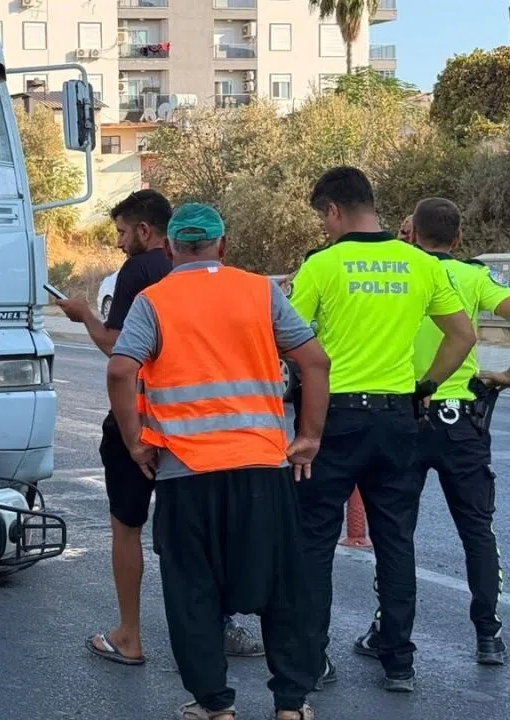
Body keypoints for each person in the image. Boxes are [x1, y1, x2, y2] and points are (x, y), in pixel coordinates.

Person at [107, 203, 330, 720]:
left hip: (187, 471)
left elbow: (121, 371)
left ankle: (215, 707)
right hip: (262, 466)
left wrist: (137, 441)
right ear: (223, 246)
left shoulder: (153, 300)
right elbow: (314, 361)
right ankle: (291, 706)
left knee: (193, 591)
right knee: (283, 587)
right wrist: (309, 437)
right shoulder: (260, 291)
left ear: (169, 248)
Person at [54, 189, 263, 666]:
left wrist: (85, 312)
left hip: (141, 424)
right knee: (201, 534)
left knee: (127, 527)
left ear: (151, 234)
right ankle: (220, 627)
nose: (122, 243)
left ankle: (130, 635)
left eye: (124, 233)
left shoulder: (140, 273)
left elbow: (118, 351)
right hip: (194, 427)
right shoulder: (218, 283)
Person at [288, 167, 477, 692]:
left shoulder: (323, 267)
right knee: (396, 540)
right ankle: (399, 661)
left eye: (321, 219)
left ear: (332, 211)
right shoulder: (420, 264)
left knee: (314, 542)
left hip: (334, 421)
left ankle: (311, 659)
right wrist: (426, 384)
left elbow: (288, 341)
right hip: (398, 418)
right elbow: (462, 335)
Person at [353, 197, 510, 666]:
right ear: (459, 239)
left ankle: (390, 636)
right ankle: (489, 635)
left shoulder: (402, 276)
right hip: (461, 419)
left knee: (396, 531)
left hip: (405, 415)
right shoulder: (474, 277)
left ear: (412, 234)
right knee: (477, 530)